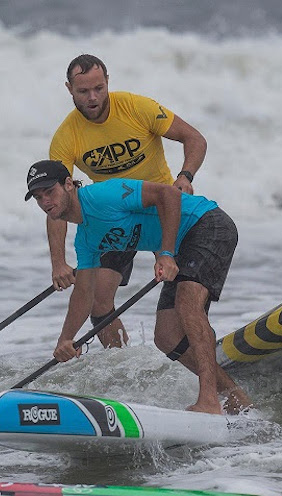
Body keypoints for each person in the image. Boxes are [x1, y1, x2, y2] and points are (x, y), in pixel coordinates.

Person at [23, 159, 249, 415]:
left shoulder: (102, 195)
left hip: (206, 224)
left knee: (188, 305)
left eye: (49, 192)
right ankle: (235, 397)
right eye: (39, 198)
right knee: (167, 337)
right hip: (185, 244)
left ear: (68, 184)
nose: (45, 202)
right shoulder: (86, 239)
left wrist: (165, 252)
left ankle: (209, 401)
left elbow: (168, 194)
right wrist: (66, 338)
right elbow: (84, 292)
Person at [46, 54, 207, 349]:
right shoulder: (66, 136)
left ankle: (198, 355)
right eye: (83, 91)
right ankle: (119, 364)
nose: (92, 98)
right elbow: (58, 201)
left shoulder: (136, 108)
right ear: (69, 89)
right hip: (115, 216)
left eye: (98, 88)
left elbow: (194, 138)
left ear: (108, 82)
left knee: (184, 293)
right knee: (97, 299)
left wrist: (185, 177)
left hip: (161, 209)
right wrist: (58, 263)